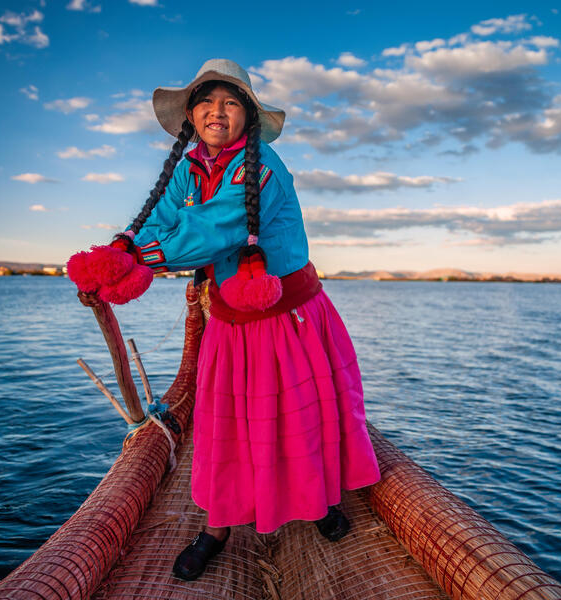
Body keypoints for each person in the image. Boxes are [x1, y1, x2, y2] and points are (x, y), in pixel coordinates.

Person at [69, 59, 381, 581]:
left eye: (231, 102)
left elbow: (213, 231)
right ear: (191, 115)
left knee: (301, 415)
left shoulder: (262, 169)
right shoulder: (187, 169)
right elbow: (160, 220)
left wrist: (135, 261)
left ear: (248, 118)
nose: (218, 111)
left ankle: (321, 502)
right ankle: (217, 528)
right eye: (207, 102)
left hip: (288, 317)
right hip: (232, 320)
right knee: (225, 426)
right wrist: (113, 255)